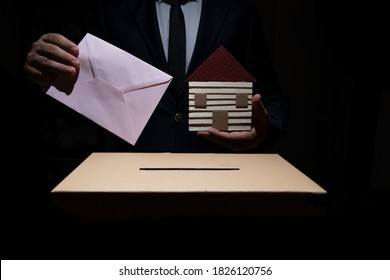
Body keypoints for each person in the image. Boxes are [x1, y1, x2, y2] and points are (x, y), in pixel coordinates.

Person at [24, 0, 288, 153]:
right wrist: (49, 78)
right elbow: (84, 104)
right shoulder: (113, 10)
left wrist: (263, 131)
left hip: (219, 176)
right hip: (133, 179)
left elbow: (272, 98)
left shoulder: (240, 10)